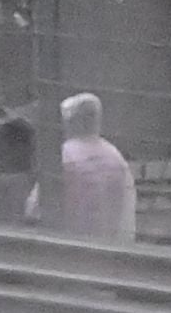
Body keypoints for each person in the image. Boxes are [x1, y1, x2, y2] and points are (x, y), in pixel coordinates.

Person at [44, 92, 134, 239]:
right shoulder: (115, 157)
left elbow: (37, 207)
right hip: (112, 248)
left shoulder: (64, 156)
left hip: (71, 248)